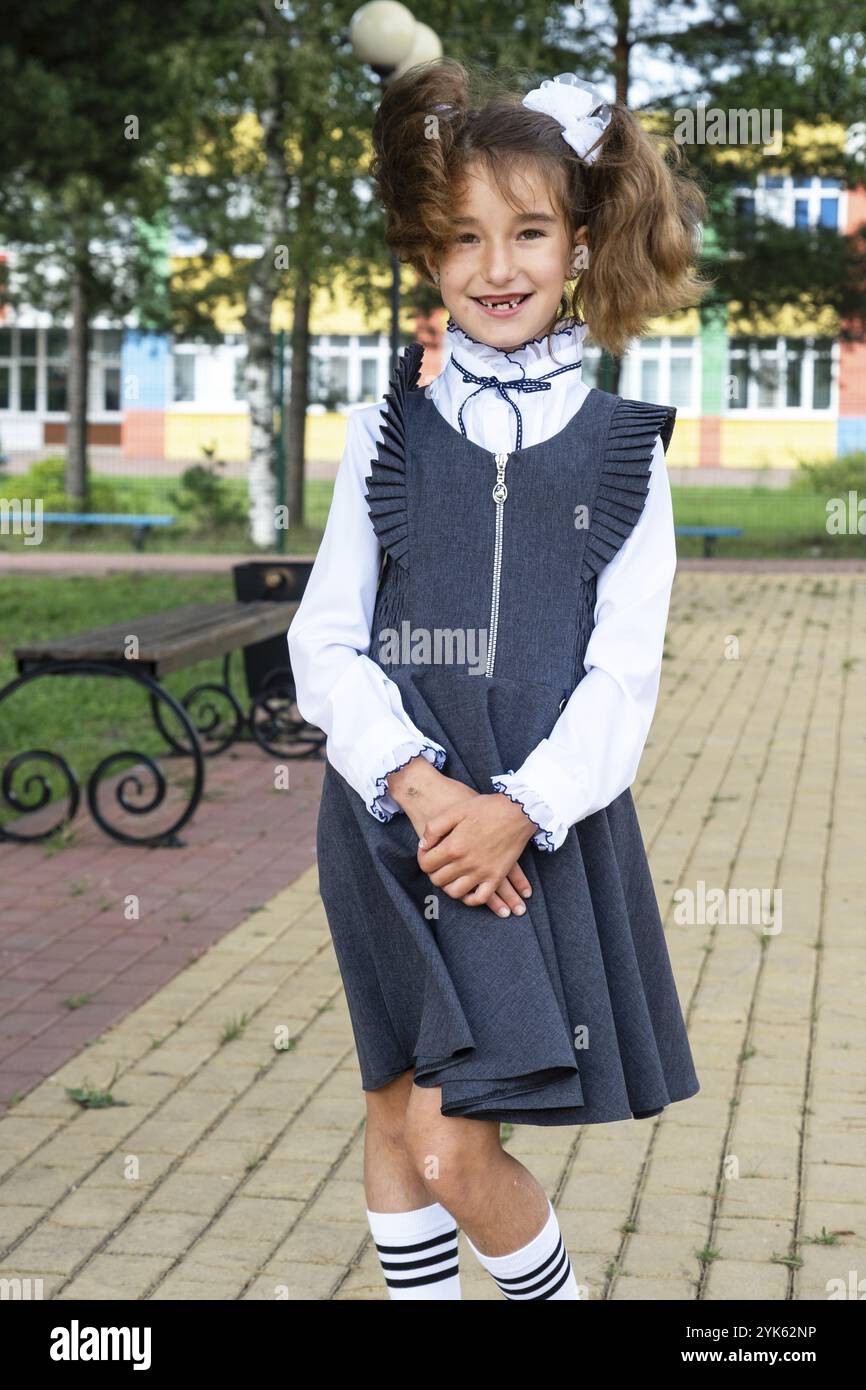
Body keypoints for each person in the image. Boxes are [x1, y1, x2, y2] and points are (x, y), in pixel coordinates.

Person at [288, 58, 712, 1302]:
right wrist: (420, 790)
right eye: (462, 238)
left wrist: (511, 808)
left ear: (579, 242)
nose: (495, 266)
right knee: (390, 1117)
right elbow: (326, 641)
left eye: (527, 231)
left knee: (451, 1139)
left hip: (528, 841)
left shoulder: (626, 451)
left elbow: (622, 680)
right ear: (429, 254)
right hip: (387, 826)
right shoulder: (386, 433)